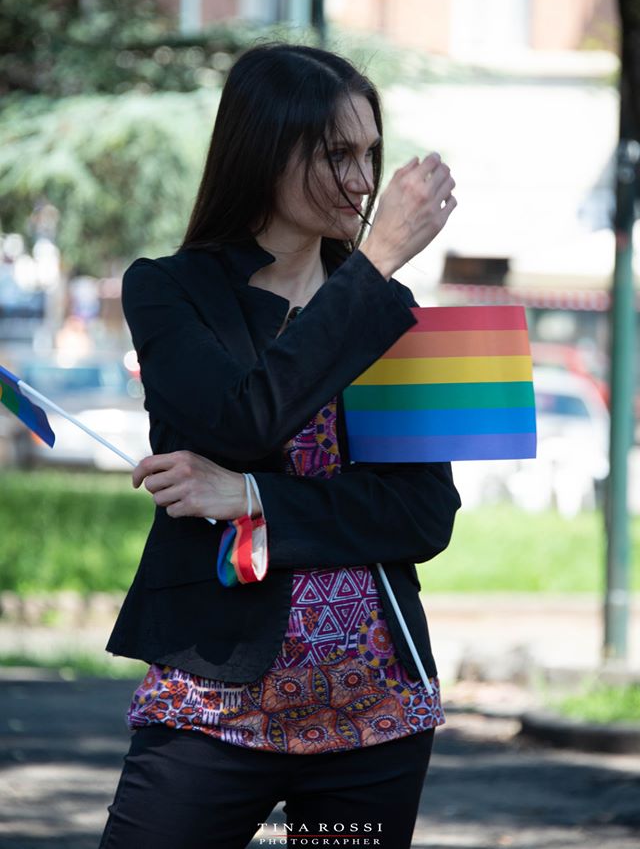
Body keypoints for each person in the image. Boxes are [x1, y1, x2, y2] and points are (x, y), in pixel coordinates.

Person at [100, 43, 461, 849]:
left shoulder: (383, 309)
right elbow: (240, 421)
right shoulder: (168, 289)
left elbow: (422, 515)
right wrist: (372, 268)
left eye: (370, 153)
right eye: (338, 155)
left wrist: (253, 497)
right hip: (210, 698)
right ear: (266, 151)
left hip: (376, 712)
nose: (364, 183)